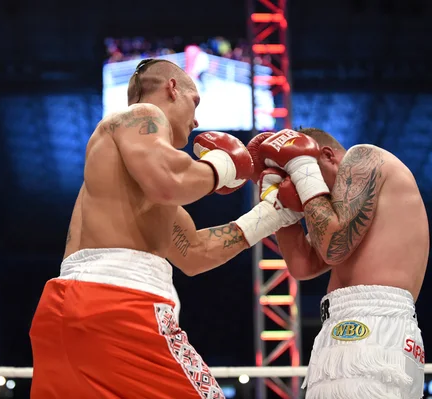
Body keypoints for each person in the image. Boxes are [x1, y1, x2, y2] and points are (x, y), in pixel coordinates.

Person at [29, 59, 301, 399]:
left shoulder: (129, 184)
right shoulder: (141, 115)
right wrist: (225, 163)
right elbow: (171, 182)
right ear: (172, 88)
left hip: (65, 313)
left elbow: (194, 253)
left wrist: (274, 213)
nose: (197, 120)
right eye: (195, 102)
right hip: (119, 308)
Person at [247, 128, 429, 399]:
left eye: (301, 172)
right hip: (353, 329)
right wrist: (280, 205)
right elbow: (303, 265)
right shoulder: (343, 214)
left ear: (328, 156)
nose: (301, 189)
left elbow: (333, 246)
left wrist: (302, 171)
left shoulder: (363, 157)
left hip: (367, 331)